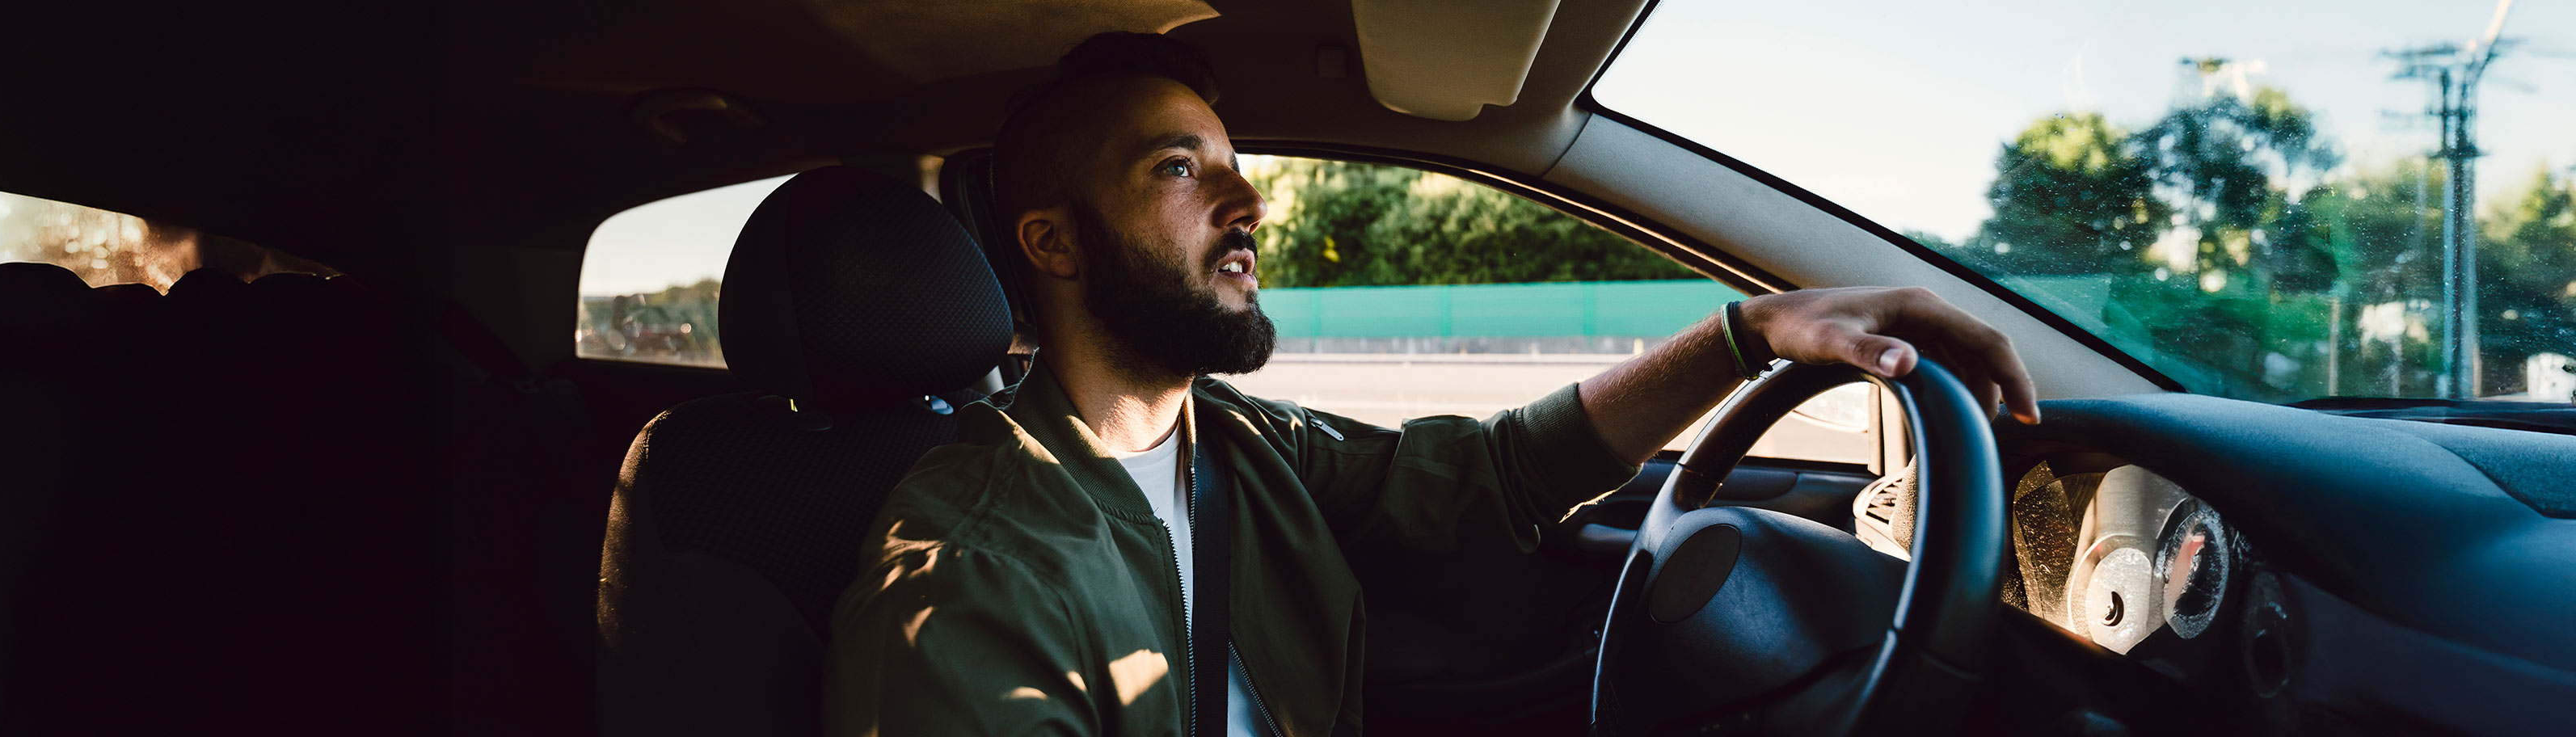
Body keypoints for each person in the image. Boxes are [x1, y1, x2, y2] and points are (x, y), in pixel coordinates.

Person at [822, 32, 2037, 737]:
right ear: (1054, 243)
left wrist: (1750, 332)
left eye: (1239, 170)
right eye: (1181, 170)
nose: (1249, 206)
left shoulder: (1236, 446)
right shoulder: (970, 575)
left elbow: (1498, 476)